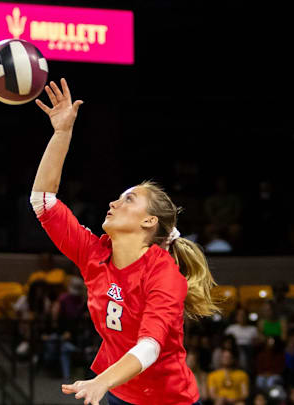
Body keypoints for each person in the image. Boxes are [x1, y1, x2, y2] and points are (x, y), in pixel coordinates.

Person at [32, 79, 218, 405]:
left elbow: (149, 346)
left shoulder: (163, 274)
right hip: (119, 394)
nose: (114, 203)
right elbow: (42, 201)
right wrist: (62, 134)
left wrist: (100, 381)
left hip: (169, 400)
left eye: (128, 199)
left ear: (150, 221)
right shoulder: (95, 253)